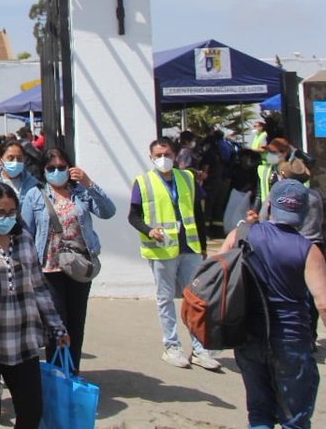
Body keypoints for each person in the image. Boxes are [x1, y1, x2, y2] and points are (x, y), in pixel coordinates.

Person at [222, 180, 326, 429]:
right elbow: (322, 303)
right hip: (291, 342)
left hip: (248, 336)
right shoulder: (309, 250)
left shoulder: (241, 235)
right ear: (303, 212)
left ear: (269, 205)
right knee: (294, 419)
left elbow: (216, 271)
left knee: (259, 414)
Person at [0, 182, 67, 429]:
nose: (6, 218)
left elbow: (38, 287)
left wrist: (57, 327)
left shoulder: (24, 239)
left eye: (11, 212)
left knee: (31, 411)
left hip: (24, 340)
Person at [19, 147, 114, 374]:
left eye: (62, 167)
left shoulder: (80, 192)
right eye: (51, 168)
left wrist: (90, 183)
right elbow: (25, 232)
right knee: (56, 324)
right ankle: (57, 373)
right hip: (48, 267)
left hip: (79, 266)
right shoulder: (35, 195)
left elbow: (108, 211)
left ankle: (72, 371)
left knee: (76, 322)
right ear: (44, 170)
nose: (57, 172)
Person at [126, 138, 218, 370]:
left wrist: (204, 245)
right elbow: (133, 216)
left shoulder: (187, 178)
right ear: (151, 158)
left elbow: (198, 212)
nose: (162, 159)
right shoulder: (143, 182)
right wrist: (149, 230)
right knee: (165, 299)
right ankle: (172, 346)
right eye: (158, 155)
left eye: (166, 154)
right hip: (162, 249)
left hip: (190, 247)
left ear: (174, 155)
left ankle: (200, 349)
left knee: (195, 299)